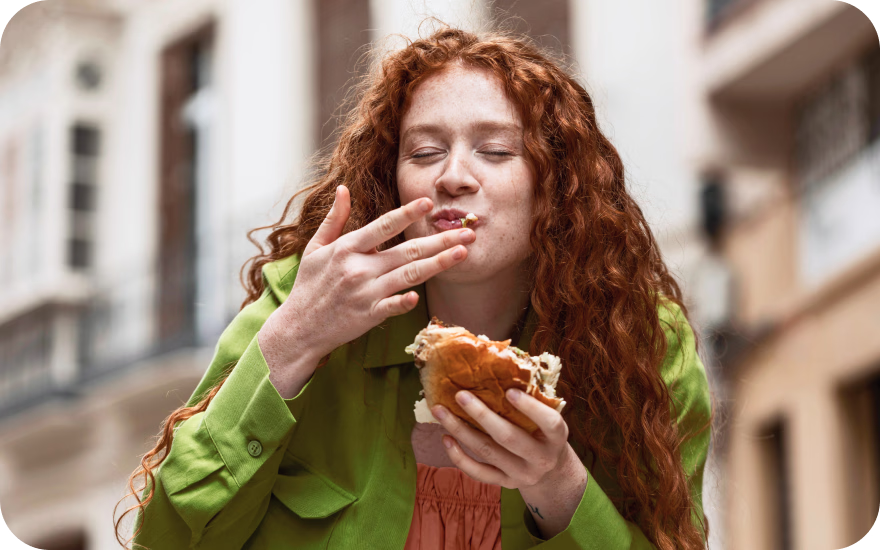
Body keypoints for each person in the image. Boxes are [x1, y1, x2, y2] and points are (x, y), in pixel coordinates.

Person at [115, 26, 711, 550]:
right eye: (424, 152)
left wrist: (554, 482)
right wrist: (293, 340)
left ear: (555, 183)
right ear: (392, 180)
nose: (453, 176)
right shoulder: (308, 296)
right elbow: (168, 540)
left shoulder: (641, 341)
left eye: (496, 150)